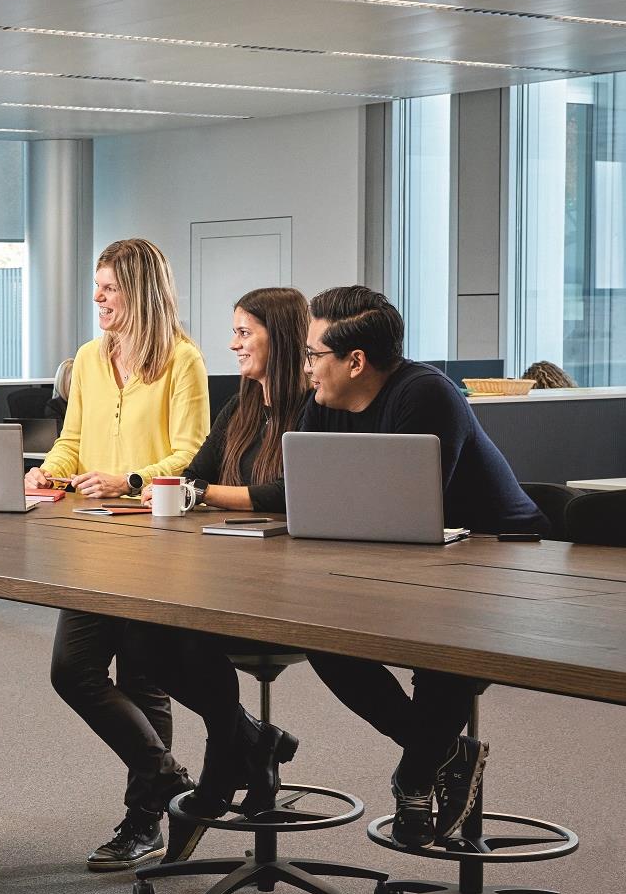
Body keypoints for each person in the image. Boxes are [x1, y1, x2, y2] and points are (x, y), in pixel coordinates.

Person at [299, 285, 549, 848]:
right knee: (319, 635)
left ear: (355, 360)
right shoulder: (323, 402)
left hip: (499, 554)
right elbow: (314, 499)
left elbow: (404, 507)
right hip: (406, 561)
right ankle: (441, 753)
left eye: (314, 354)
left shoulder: (425, 393)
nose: (307, 368)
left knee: (441, 649)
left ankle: (415, 775)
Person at [24, 238, 211, 871]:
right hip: (91, 542)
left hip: (155, 541)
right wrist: (45, 472)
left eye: (109, 288)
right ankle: (165, 775)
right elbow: (71, 441)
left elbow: (191, 455)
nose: (98, 299)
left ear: (141, 291)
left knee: (142, 680)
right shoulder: (87, 358)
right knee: (71, 671)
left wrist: (129, 479)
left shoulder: (183, 361)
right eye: (97, 288)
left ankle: (143, 822)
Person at [119, 287, 314, 862]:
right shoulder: (241, 406)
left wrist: (208, 493)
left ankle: (224, 757)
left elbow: (290, 492)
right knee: (141, 637)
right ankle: (250, 741)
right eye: (232, 332)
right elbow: (194, 471)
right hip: (223, 569)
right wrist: (182, 487)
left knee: (191, 631)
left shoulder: (314, 407)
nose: (233, 344)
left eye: (243, 332)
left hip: (286, 585)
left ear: (277, 337)